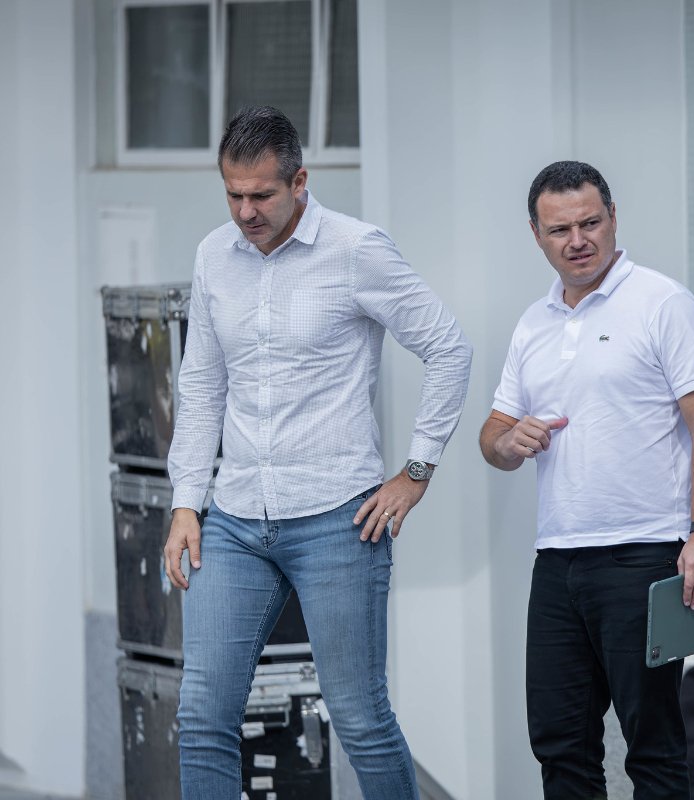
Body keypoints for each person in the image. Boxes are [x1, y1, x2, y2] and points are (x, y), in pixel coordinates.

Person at [164, 105, 472, 800]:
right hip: (237, 520)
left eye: (261, 195)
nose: (246, 210)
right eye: (233, 194)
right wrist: (187, 505)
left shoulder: (357, 250)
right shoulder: (214, 255)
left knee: (359, 715)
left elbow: (449, 349)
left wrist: (416, 471)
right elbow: (202, 383)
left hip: (338, 519)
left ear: (299, 180)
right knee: (202, 712)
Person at [479, 160, 694, 798]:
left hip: (644, 554)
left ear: (614, 219)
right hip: (558, 562)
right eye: (560, 229)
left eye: (590, 223)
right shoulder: (533, 323)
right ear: (536, 234)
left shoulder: (663, 302)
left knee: (653, 746)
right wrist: (511, 441)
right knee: (560, 745)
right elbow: (492, 438)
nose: (578, 240)